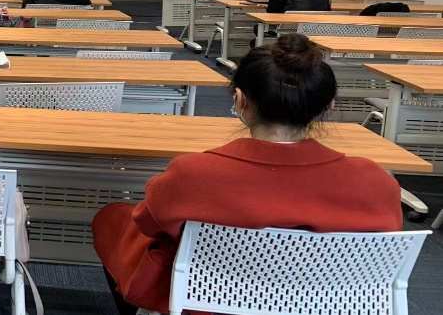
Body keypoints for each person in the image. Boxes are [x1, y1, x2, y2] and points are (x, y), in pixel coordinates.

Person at [91, 33, 401, 315]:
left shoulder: (193, 175)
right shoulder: (376, 183)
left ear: (240, 100)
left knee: (114, 220)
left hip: (209, 303)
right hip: (325, 305)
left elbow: (149, 223)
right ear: (328, 106)